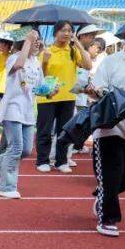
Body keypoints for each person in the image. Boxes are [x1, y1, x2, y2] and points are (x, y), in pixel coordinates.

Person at [89, 16, 125, 237]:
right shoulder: (111, 62)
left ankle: (104, 194)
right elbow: (98, 89)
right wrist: (97, 92)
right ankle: (108, 218)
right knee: (112, 174)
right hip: (111, 128)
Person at [0, 29, 42, 199]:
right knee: (16, 147)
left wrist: (49, 90)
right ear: (24, 42)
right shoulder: (13, 58)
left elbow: (39, 86)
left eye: (38, 40)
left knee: (26, 150)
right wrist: (28, 42)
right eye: (34, 40)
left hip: (28, 111)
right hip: (12, 108)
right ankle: (6, 186)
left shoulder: (36, 62)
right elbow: (18, 65)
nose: (37, 43)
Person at [37, 20, 92, 173]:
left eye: (69, 30)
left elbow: (88, 65)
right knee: (45, 130)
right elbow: (42, 76)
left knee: (64, 131)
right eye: (63, 30)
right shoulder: (47, 51)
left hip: (68, 97)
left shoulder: (73, 51)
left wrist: (78, 44)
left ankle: (61, 161)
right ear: (55, 33)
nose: (66, 33)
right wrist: (44, 62)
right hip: (48, 96)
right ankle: (42, 160)